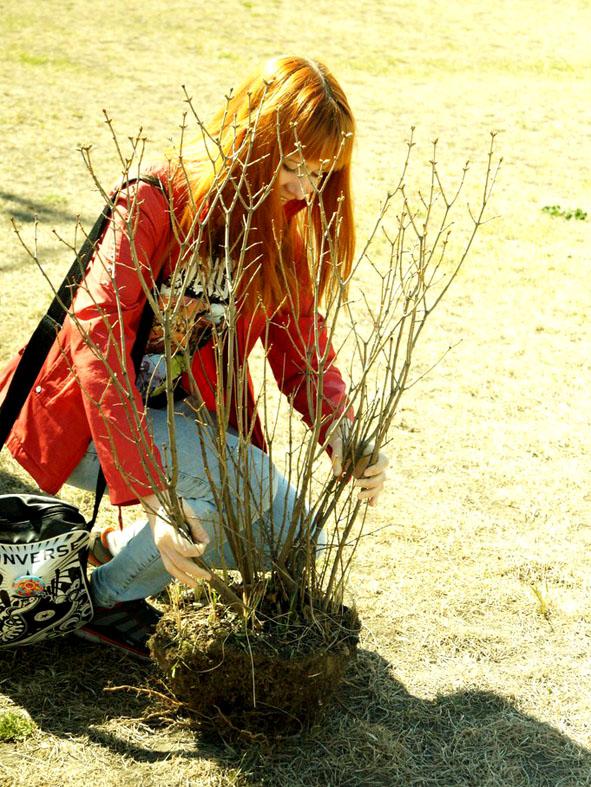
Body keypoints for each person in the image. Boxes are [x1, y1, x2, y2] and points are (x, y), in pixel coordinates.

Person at [0, 56, 388, 658]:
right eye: (293, 166)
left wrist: (342, 431)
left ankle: (117, 548)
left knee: (297, 543)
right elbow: (96, 338)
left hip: (179, 419)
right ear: (250, 141)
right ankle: (95, 600)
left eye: (321, 173)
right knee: (237, 484)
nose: (305, 189)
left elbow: (301, 341)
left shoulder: (279, 231)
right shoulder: (156, 199)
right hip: (86, 421)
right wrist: (151, 492)